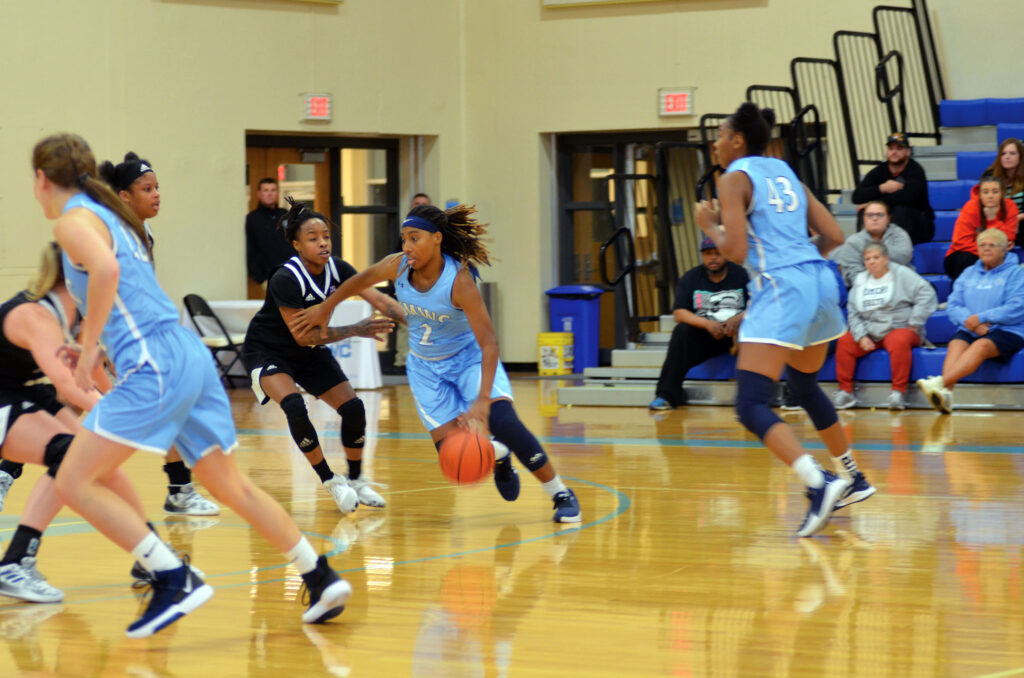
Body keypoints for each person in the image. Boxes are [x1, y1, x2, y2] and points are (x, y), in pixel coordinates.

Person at [32, 133, 350, 638]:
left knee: (73, 480)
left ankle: (172, 576)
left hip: (156, 362)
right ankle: (320, 573)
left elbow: (109, 272)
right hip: (186, 356)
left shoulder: (73, 219)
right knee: (230, 485)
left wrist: (91, 347)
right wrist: (93, 342)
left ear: (41, 179)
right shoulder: (114, 217)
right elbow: (124, 294)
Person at [289, 204, 583, 523]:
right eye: (404, 239)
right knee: (452, 457)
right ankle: (498, 455)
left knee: (505, 422)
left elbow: (489, 343)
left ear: (437, 239)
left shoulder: (459, 280)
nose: (407, 247)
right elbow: (358, 281)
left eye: (414, 238)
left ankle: (560, 493)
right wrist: (325, 307)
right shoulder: (398, 266)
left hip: (468, 360)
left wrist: (482, 402)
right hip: (427, 369)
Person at [697, 102, 875, 538]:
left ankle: (819, 482)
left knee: (750, 403)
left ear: (738, 141)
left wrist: (710, 225)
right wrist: (800, 262)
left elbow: (735, 252)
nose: (715, 143)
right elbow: (835, 236)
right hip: (819, 279)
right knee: (803, 385)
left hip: (782, 286)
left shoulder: (734, 178)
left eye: (720, 135)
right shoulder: (786, 173)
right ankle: (853, 475)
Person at [0, 243, 152, 604]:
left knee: (94, 456)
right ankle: (15, 562)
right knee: (72, 456)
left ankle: (150, 552)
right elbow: (70, 383)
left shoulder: (79, 312)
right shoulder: (35, 315)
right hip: (8, 396)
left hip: (20, 390)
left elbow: (93, 367)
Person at [241, 197, 400, 513]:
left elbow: (379, 299)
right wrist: (356, 328)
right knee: (295, 407)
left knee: (354, 409)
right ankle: (330, 480)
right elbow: (303, 335)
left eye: (326, 236)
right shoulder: (285, 278)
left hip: (307, 353)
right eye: (313, 238)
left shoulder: (339, 268)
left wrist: (420, 321)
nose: (323, 243)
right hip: (268, 350)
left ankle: (355, 479)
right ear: (297, 245)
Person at [98, 151, 220, 518]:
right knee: (73, 407)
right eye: (146, 188)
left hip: (141, 335)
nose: (156, 194)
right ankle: (179, 490)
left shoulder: (144, 232)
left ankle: (180, 489)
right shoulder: (109, 234)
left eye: (157, 187)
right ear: (124, 196)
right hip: (114, 336)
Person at [919, 229, 1024, 414]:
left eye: (992, 245)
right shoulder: (969, 272)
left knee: (981, 346)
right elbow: (953, 304)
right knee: (956, 344)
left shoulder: (1016, 273)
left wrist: (981, 318)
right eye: (982, 245)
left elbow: (1017, 307)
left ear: (1004, 250)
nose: (987, 249)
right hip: (971, 326)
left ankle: (940, 382)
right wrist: (972, 321)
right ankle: (946, 395)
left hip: (1009, 329)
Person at [832, 242, 937, 411]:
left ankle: (898, 393)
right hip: (870, 331)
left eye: (876, 257)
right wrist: (861, 336)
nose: (872, 262)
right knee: (845, 341)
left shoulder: (902, 274)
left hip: (900, 328)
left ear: (886, 259)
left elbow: (927, 293)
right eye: (867, 259)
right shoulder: (860, 280)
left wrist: (914, 322)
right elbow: (853, 312)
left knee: (898, 340)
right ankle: (845, 392)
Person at [649, 236, 748, 410]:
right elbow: (679, 313)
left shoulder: (741, 275)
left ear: (725, 254)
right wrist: (707, 324)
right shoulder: (691, 278)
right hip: (706, 336)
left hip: (738, 335)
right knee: (682, 331)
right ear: (702, 256)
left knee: (755, 329)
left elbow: (759, 304)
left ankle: (754, 397)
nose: (713, 258)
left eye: (717, 253)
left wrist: (739, 318)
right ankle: (666, 395)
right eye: (708, 254)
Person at [852, 133, 935, 245]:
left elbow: (908, 197)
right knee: (866, 212)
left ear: (908, 151)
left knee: (900, 209)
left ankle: (897, 248)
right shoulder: (880, 170)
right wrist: (882, 188)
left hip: (920, 224)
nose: (894, 152)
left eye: (899, 148)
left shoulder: (915, 170)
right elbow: (857, 196)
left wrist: (873, 203)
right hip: (888, 223)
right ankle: (866, 248)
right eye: (891, 148)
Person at [943, 176, 1019, 282]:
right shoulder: (970, 208)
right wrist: (987, 250)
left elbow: (1008, 238)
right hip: (961, 256)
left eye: (995, 192)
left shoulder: (1010, 207)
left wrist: (992, 220)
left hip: (994, 254)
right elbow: (961, 241)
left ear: (1002, 194)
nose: (990, 196)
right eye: (985, 192)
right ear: (980, 194)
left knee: (1009, 259)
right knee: (967, 259)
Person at [390, 193, 433, 375]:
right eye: (416, 204)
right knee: (405, 322)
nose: (420, 207)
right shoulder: (404, 232)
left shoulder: (435, 233)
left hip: (431, 286)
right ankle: (402, 361)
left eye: (424, 204)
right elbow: (395, 259)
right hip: (408, 284)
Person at [829, 201, 913, 288]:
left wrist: (875, 246)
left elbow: (904, 258)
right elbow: (853, 276)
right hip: (866, 290)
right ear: (864, 219)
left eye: (880, 215)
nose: (875, 218)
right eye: (870, 215)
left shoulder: (899, 233)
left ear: (888, 219)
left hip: (901, 286)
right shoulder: (853, 242)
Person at [246, 177, 293, 285]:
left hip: (292, 273)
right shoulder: (252, 219)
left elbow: (296, 241)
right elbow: (251, 250)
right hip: (268, 277)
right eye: (266, 190)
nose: (269, 194)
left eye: (273, 190)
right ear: (259, 194)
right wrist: (260, 278)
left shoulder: (286, 215)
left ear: (277, 193)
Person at [981, 138, 1024, 240]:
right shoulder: (989, 175)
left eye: (1012, 153)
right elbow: (981, 202)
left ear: (1020, 156)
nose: (1007, 157)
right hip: (995, 219)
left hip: (1021, 221)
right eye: (1003, 154)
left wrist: (1017, 218)